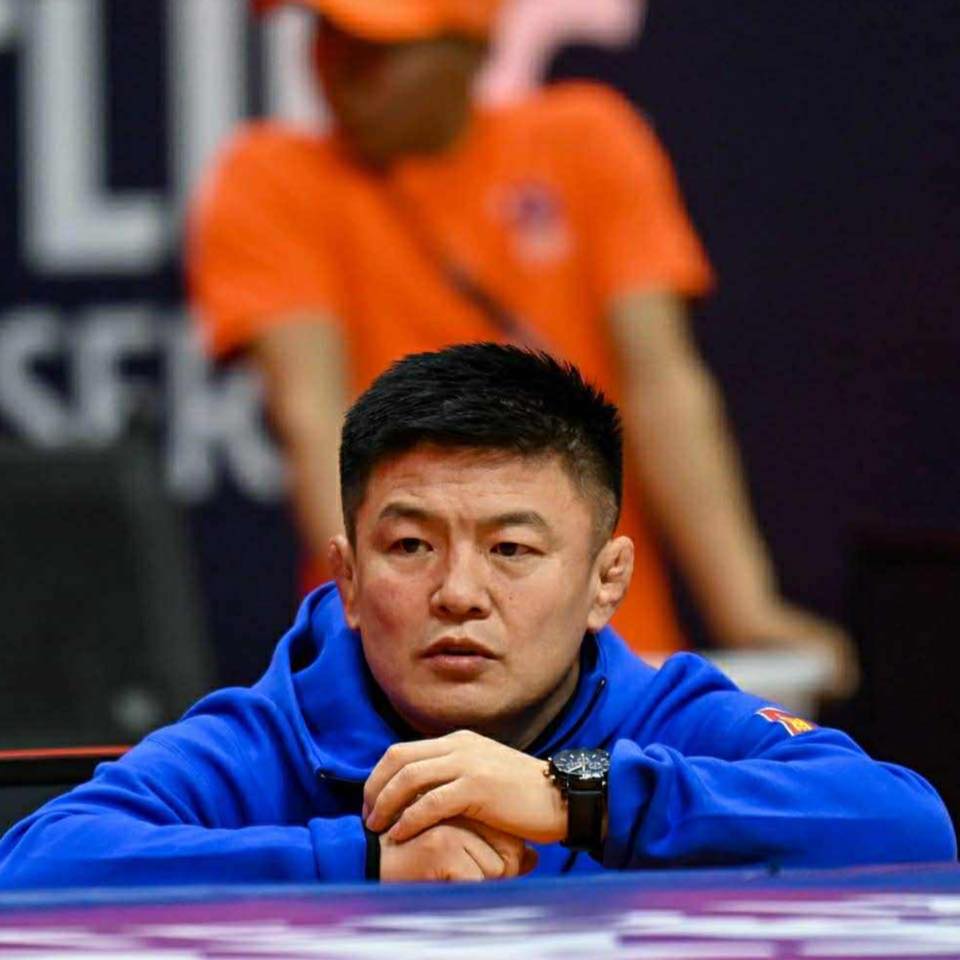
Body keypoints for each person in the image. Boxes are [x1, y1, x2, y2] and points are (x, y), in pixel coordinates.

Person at [0, 344, 953, 887]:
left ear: (605, 582)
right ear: (346, 578)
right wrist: (362, 858)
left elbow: (913, 828)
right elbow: (33, 869)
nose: (458, 592)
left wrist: (577, 794)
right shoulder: (272, 734)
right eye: (411, 546)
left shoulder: (663, 712)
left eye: (512, 550)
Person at [188, 0, 856, 687]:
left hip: (611, 657)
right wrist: (396, 641)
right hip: (395, 669)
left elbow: (663, 387)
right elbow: (313, 413)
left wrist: (745, 607)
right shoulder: (268, 177)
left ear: (473, 48)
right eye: (329, 35)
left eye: (380, 48)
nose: (343, 67)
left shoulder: (587, 139)